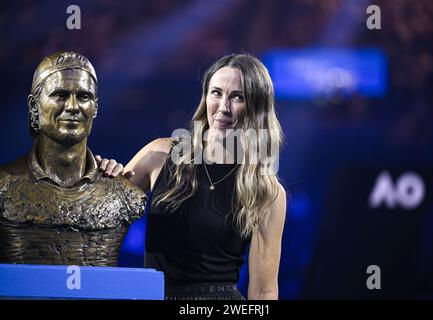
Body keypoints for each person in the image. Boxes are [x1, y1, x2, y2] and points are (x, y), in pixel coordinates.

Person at [97, 54, 286, 299]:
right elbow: (98, 213)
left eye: (237, 97)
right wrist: (103, 176)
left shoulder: (266, 191)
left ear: (257, 107)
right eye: (216, 93)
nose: (223, 107)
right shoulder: (160, 154)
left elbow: (264, 290)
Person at [0, 51, 147, 266]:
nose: (72, 106)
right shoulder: (3, 188)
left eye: (83, 97)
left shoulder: (125, 195)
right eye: (60, 95)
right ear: (34, 106)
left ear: (95, 107)